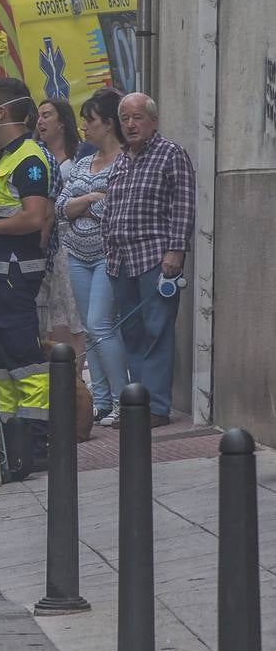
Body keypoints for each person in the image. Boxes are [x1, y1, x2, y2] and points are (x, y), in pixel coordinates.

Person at [0, 78, 53, 474]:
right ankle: (8, 443)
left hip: (12, 276)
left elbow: (35, 217)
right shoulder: (4, 158)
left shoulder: (29, 158)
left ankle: (37, 444)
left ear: (2, 112)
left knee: (25, 363)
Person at [102, 93, 196, 427]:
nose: (130, 124)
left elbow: (183, 205)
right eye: (125, 118)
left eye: (137, 117)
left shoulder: (171, 154)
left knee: (157, 331)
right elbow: (111, 209)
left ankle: (156, 407)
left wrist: (176, 251)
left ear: (153, 120)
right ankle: (138, 402)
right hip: (121, 259)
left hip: (155, 257)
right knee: (132, 334)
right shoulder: (121, 159)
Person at [57, 89, 129, 426]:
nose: (85, 128)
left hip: (107, 255)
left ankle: (122, 400)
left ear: (109, 124)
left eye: (91, 121)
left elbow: (115, 211)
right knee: (88, 328)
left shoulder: (126, 161)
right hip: (76, 254)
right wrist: (92, 197)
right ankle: (100, 401)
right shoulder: (84, 162)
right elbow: (61, 208)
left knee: (102, 324)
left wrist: (82, 202)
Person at [35, 99, 86, 365]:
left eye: (47, 115)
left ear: (62, 122)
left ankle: (75, 380)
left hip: (67, 246)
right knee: (49, 318)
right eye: (38, 116)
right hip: (42, 251)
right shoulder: (36, 159)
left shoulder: (77, 163)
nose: (40, 121)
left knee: (71, 315)